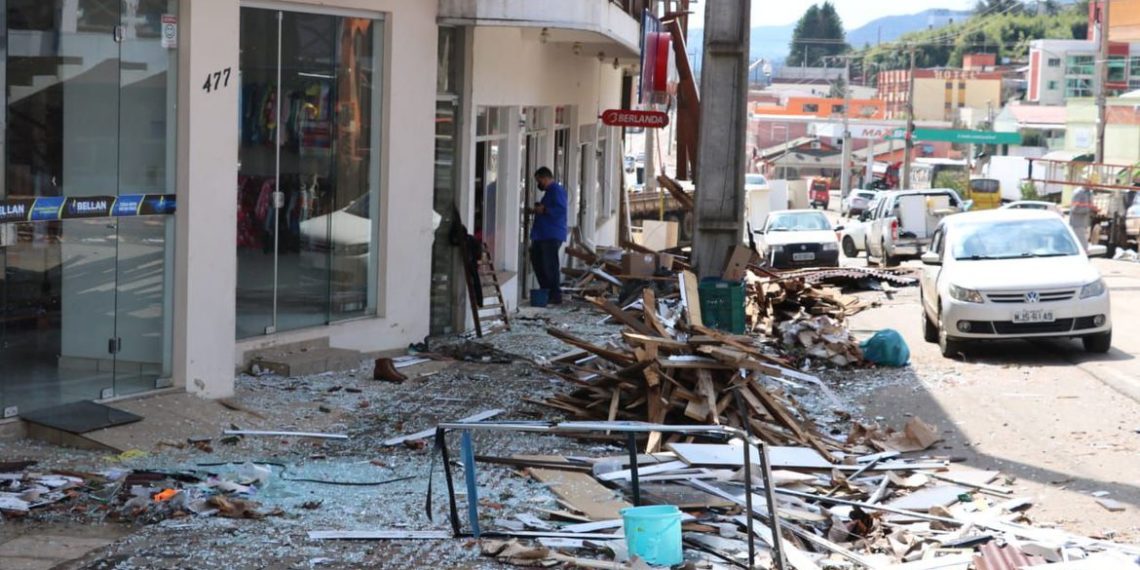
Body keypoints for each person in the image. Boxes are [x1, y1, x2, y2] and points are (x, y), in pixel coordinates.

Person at [528, 167, 568, 305]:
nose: (539, 184)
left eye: (539, 181)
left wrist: (544, 209)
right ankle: (546, 291)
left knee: (549, 265)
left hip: (551, 234)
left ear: (545, 178)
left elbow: (560, 210)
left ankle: (554, 294)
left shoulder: (556, 190)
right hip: (543, 234)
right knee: (538, 261)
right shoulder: (550, 192)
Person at [1070, 184, 1096, 252]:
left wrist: (1093, 209)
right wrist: (1089, 209)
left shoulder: (1089, 193)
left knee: (1083, 243)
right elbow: (1074, 209)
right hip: (1077, 223)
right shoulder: (1079, 193)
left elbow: (1089, 205)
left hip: (1084, 222)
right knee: (1081, 244)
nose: (1093, 185)